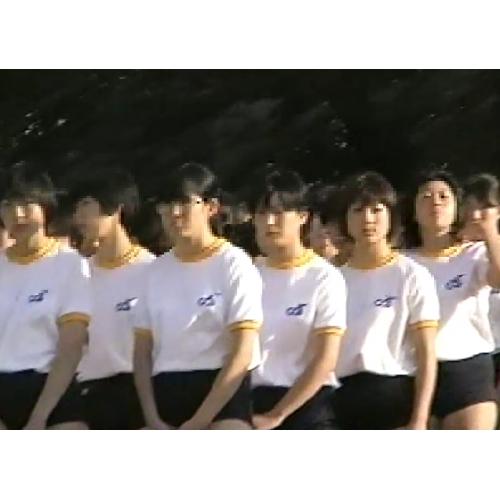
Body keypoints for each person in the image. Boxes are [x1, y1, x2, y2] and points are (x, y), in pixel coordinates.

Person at [133, 162, 262, 430]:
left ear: (211, 207)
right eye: (166, 205)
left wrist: (200, 421)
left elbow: (243, 349)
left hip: (222, 394)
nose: (174, 213)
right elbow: (142, 352)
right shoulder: (153, 271)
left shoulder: (234, 263)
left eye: (184, 203)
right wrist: (152, 418)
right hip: (165, 391)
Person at [333, 171, 439, 429]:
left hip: (393, 395)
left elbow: (426, 353)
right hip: (339, 399)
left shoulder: (412, 275)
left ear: (391, 216)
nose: (368, 219)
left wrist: (419, 419)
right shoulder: (333, 280)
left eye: (376, 210)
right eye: (358, 210)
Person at [249, 169, 346, 429]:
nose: (269, 222)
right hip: (251, 402)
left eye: (279, 213)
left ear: (303, 217)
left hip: (308, 406)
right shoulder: (246, 275)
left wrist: (277, 414)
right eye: (262, 214)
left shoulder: (324, 277)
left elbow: (326, 358)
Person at [0, 162, 91, 430]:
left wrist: (39, 418)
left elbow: (71, 348)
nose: (17, 214)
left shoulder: (70, 264)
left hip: (52, 391)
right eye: (7, 205)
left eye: (26, 204)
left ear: (45, 207)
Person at [408, 169, 499, 429]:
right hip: (414, 373)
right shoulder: (403, 262)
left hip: (468, 370)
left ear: (457, 207)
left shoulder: (475, 254)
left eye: (443, 196)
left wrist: (489, 231)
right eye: (426, 197)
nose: (435, 202)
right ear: (413, 211)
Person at [70, 168, 155, 429]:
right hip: (88, 395)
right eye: (76, 207)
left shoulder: (153, 270)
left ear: (116, 208)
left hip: (142, 393)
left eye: (87, 204)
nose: (79, 217)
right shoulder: (77, 275)